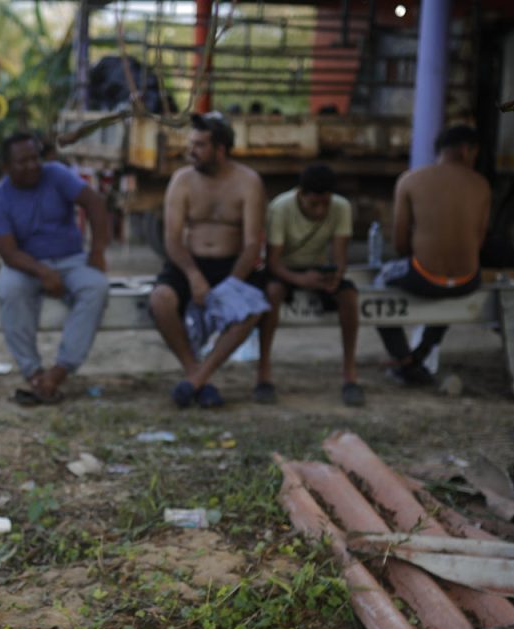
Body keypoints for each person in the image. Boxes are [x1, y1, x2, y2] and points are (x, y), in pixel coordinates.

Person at [149, 112, 277, 409]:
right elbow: (172, 239)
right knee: (160, 300)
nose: (190, 151)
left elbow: (251, 243)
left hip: (232, 264)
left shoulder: (248, 181)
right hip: (189, 263)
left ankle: (196, 380)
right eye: (191, 143)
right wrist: (194, 276)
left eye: (199, 145)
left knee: (251, 308)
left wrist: (232, 284)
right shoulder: (182, 180)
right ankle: (197, 375)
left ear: (220, 149)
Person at [0, 132, 111, 406]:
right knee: (10, 289)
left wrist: (98, 251)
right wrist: (43, 273)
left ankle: (60, 370)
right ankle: (34, 373)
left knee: (97, 287)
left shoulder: (56, 175)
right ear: (6, 168)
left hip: (71, 259)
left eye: (35, 158)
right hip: (25, 266)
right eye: (22, 162)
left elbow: (95, 203)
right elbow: (8, 253)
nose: (32, 166)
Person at [374, 124, 491, 386]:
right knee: (452, 284)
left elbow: (400, 244)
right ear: (465, 150)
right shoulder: (482, 186)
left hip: (423, 278)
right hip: (467, 281)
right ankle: (422, 353)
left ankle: (404, 360)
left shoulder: (411, 180)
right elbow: (479, 242)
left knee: (378, 286)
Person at [264, 163, 363, 407]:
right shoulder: (280, 207)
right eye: (313, 205)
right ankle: (263, 373)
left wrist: (335, 278)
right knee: (271, 293)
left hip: (318, 269)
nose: (320, 211)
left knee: (349, 296)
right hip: (287, 269)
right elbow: (273, 263)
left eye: (325, 204)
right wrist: (300, 279)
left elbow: (340, 255)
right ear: (301, 194)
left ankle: (349, 373)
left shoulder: (341, 207)